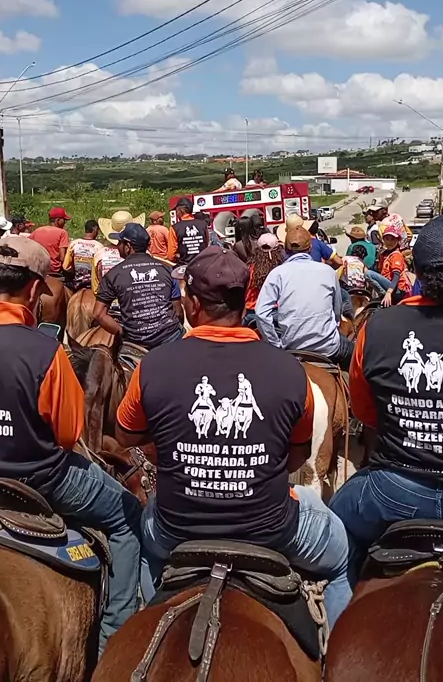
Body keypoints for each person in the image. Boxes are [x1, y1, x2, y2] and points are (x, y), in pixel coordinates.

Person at [115, 246, 351, 629]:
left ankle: (143, 622)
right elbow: (294, 459)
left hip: (176, 528)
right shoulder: (290, 370)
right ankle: (335, 648)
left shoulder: (152, 365)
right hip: (271, 528)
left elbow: (127, 435)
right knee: (340, 556)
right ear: (246, 303)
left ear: (192, 304)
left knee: (146, 546)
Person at [0, 236, 141, 652]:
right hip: (37, 479)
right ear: (35, 291)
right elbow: (68, 435)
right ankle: (115, 642)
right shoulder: (46, 350)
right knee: (128, 519)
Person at [330, 211, 443, 585]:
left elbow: (367, 414)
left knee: (335, 532)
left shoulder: (378, 326)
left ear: (415, 269)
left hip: (395, 487)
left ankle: (336, 613)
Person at [256, 227, 353, 370]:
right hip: (328, 347)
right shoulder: (328, 271)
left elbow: (261, 313)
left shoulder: (277, 274)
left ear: (285, 250)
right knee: (355, 355)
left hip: (292, 348)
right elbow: (336, 310)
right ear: (310, 248)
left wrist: (276, 344)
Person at [94, 223, 184, 349]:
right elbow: (178, 312)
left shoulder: (113, 275)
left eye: (120, 242)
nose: (117, 246)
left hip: (136, 342)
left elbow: (98, 314)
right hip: (170, 337)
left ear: (128, 247)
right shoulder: (167, 270)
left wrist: (123, 333)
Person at [244, 233, 285, 326]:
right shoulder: (282, 270)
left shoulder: (249, 269)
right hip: (276, 312)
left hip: (252, 313)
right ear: (278, 250)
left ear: (257, 250)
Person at [62, 219, 103, 291]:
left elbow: (66, 266)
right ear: (95, 229)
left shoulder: (73, 244)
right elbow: (100, 269)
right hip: (92, 284)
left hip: (77, 283)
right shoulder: (99, 246)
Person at [29, 207, 71, 276]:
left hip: (37, 268)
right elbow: (62, 257)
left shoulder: (38, 230)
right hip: (53, 270)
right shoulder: (62, 233)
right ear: (58, 220)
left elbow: (28, 245)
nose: (65, 222)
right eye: (64, 220)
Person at [378, 225, 412, 307]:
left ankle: (384, 295)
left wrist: (388, 293)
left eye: (392, 239)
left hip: (397, 288)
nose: (389, 242)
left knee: (369, 274)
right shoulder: (383, 255)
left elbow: (396, 275)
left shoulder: (396, 255)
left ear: (397, 240)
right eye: (387, 239)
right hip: (390, 284)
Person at [167, 198, 208, 265]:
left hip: (184, 266)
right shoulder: (203, 225)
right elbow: (206, 245)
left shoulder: (174, 228)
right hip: (202, 265)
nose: (176, 213)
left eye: (176, 210)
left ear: (180, 210)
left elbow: (171, 256)